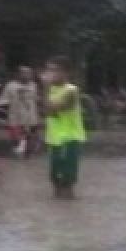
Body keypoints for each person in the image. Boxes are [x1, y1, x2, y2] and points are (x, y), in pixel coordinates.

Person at [41, 56, 86, 199]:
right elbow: (44, 110)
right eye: (48, 70)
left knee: (67, 179)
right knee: (55, 178)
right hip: (54, 138)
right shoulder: (51, 89)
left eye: (54, 70)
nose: (49, 73)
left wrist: (45, 88)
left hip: (69, 138)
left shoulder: (71, 90)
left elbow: (52, 109)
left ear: (65, 73)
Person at [2, 65, 40, 157]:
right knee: (16, 138)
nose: (28, 75)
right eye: (24, 73)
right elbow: (4, 101)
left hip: (31, 117)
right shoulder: (10, 86)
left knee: (30, 137)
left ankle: (28, 152)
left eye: (29, 73)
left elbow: (36, 99)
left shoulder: (34, 85)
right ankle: (18, 151)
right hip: (15, 117)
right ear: (18, 74)